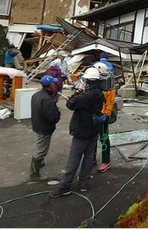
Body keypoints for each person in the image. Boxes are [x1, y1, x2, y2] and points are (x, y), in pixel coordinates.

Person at [49, 67, 104, 197]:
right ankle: (83, 183)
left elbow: (70, 105)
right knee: (89, 156)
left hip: (81, 130)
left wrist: (77, 93)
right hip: (93, 129)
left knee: (74, 157)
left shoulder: (83, 96)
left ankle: (65, 186)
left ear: (87, 80)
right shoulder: (99, 94)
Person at [30, 75, 61, 181]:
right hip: (44, 127)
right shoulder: (47, 100)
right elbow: (53, 117)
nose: (55, 85)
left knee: (41, 145)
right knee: (41, 150)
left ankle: (40, 163)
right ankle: (34, 173)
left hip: (37, 124)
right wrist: (58, 113)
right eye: (53, 83)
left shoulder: (36, 95)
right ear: (50, 86)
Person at [92, 62, 116, 173]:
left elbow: (110, 102)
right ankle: (91, 158)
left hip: (103, 115)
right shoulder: (94, 83)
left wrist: (105, 115)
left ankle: (106, 161)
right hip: (93, 114)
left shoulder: (108, 85)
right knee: (92, 137)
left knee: (104, 137)